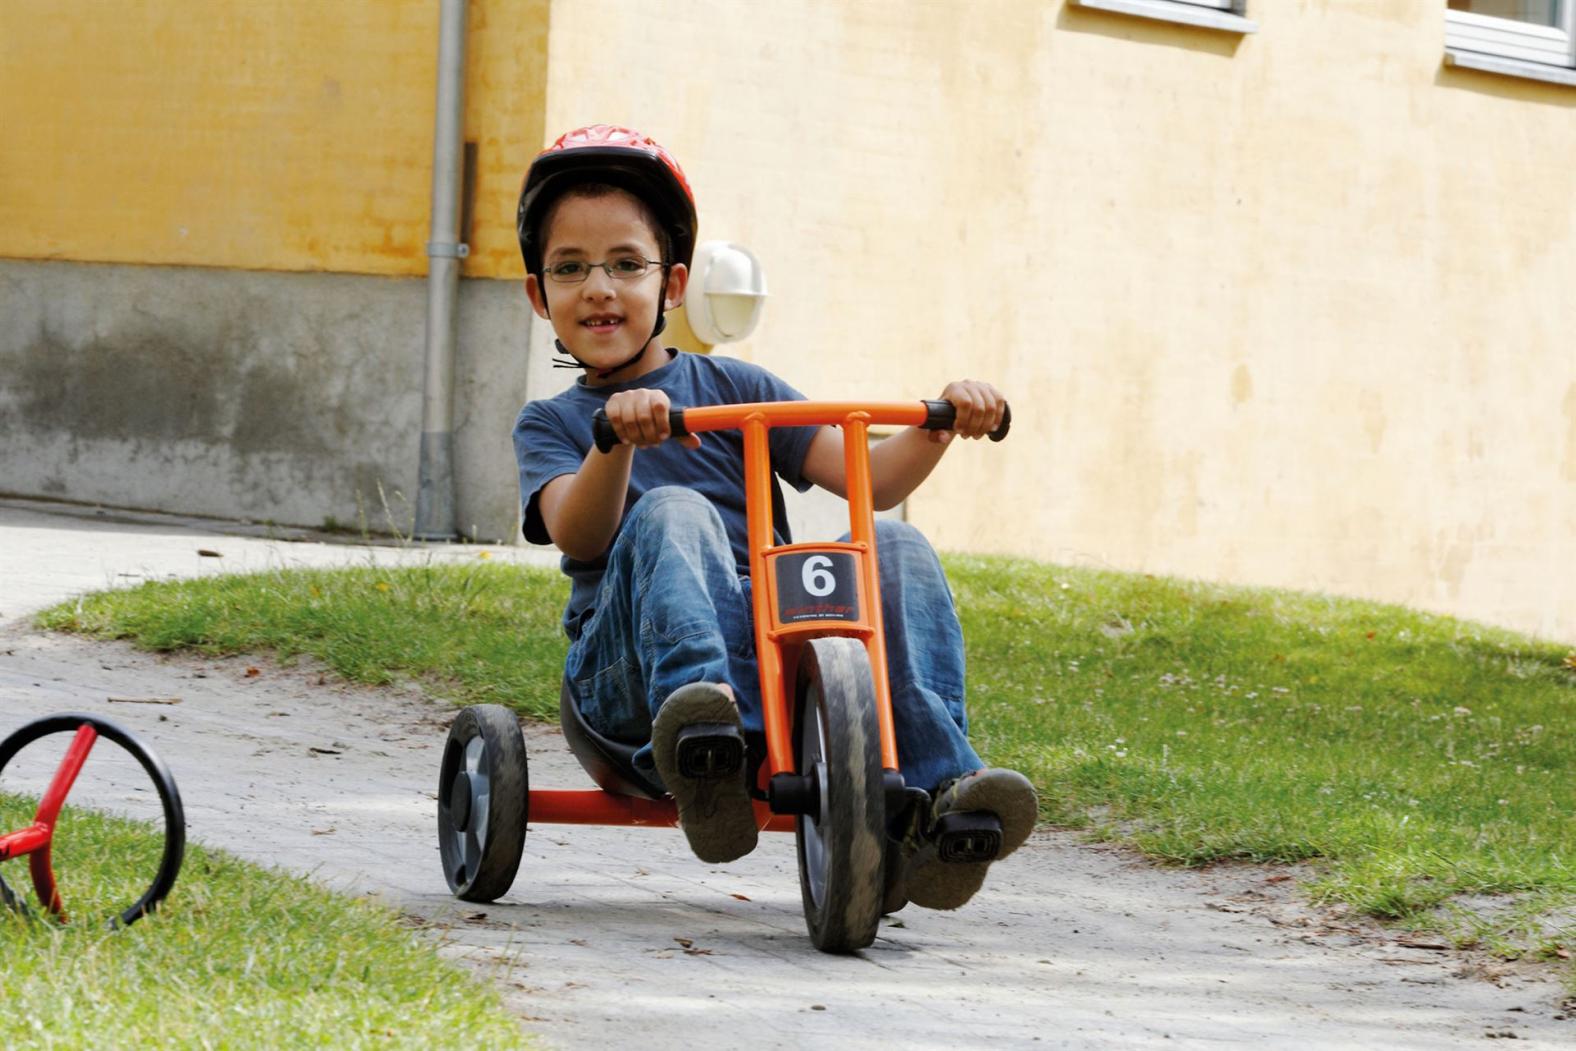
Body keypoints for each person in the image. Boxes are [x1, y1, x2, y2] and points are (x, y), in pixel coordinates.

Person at [511, 124, 1035, 910]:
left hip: (774, 665)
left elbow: (871, 480)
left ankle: (939, 794)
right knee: (674, 510)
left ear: (674, 284)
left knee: (891, 543)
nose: (599, 287)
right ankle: (702, 743)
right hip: (627, 686)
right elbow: (578, 533)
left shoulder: (735, 386)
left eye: (626, 264)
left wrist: (938, 423)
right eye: (571, 267)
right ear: (537, 292)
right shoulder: (552, 423)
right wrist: (613, 442)